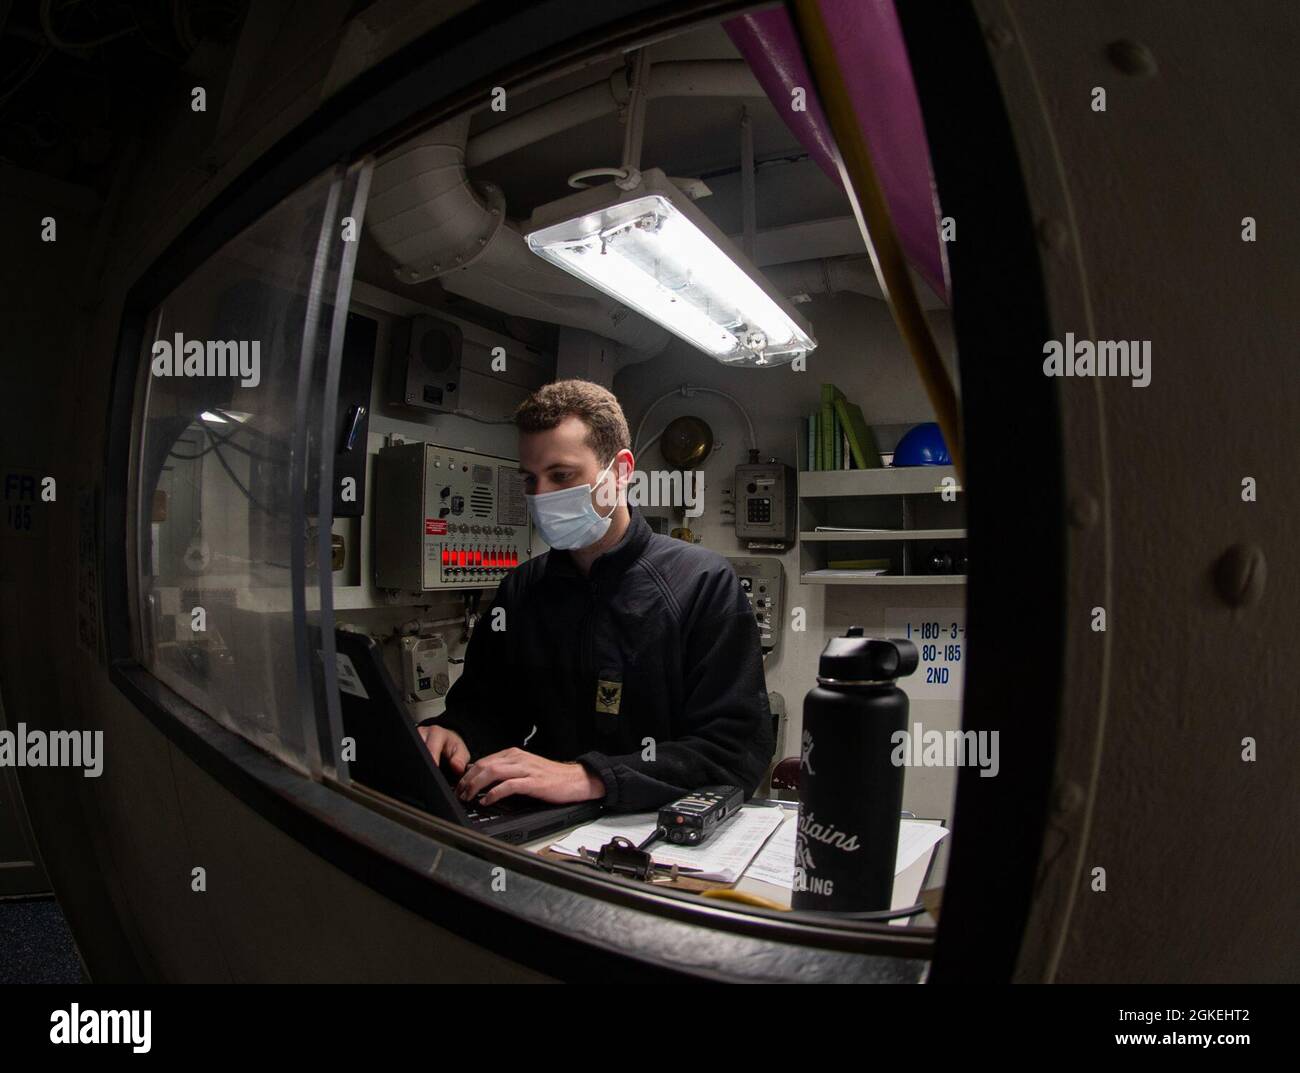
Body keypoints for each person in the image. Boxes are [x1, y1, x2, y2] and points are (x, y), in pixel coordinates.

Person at [418, 378, 774, 812]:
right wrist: (457, 732)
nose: (541, 497)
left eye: (562, 476)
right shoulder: (524, 589)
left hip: (656, 835)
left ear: (620, 471)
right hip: (544, 830)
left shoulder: (702, 584)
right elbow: (489, 708)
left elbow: (735, 754)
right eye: (530, 480)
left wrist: (590, 777)